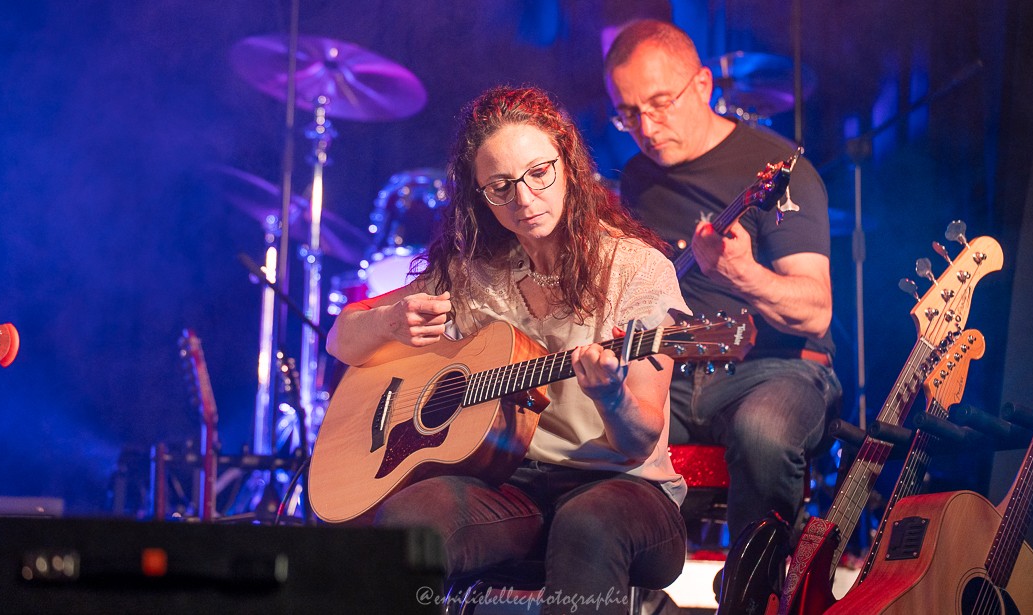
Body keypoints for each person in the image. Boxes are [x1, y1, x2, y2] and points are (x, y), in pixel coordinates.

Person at [325, 85, 691, 613]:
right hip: (510, 485)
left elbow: (639, 441)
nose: (523, 199)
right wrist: (389, 321)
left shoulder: (636, 270)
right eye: (500, 187)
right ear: (479, 195)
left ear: (567, 164)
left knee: (586, 523)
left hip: (625, 490)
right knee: (412, 521)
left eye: (539, 173)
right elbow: (341, 339)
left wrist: (612, 398)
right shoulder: (474, 275)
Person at [603, 19, 843, 548]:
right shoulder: (638, 179)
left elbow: (816, 311)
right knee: (590, 432)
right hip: (671, 373)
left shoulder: (778, 170)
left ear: (704, 85)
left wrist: (743, 274)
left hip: (771, 369)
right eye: (628, 113)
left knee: (763, 431)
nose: (646, 126)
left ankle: (751, 597)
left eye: (660, 103)